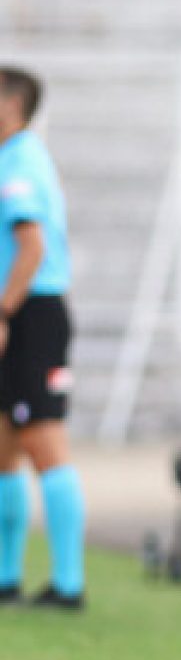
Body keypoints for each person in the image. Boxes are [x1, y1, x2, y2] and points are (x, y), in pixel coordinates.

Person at [0, 66, 86, 610]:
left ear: (11, 105)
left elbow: (31, 247)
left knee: (44, 441)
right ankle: (7, 576)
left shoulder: (21, 164)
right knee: (4, 443)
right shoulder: (13, 159)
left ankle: (68, 584)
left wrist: (5, 310)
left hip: (32, 314)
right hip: (20, 310)